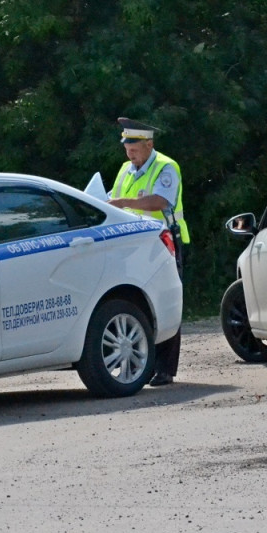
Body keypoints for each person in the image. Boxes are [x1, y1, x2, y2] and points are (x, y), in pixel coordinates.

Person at [108, 116, 190, 386]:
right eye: (126, 148)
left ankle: (165, 369)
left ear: (149, 144)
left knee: (165, 300)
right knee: (138, 302)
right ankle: (140, 365)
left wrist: (122, 202)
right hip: (134, 245)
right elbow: (112, 199)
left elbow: (161, 200)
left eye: (134, 148)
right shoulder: (125, 169)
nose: (129, 153)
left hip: (165, 242)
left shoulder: (166, 166)